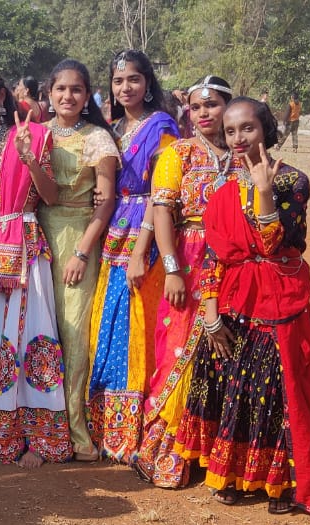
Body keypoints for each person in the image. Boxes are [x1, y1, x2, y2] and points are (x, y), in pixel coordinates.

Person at [190, 96, 310, 516]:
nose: (238, 138)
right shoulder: (222, 190)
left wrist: (263, 191)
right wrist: (210, 313)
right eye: (231, 131)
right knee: (234, 391)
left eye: (248, 128)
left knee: (275, 393)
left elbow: (273, 245)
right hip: (233, 301)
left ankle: (280, 483)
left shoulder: (293, 182)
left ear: (266, 129)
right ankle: (232, 475)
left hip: (277, 301)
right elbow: (214, 256)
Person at [0, 66, 68, 468]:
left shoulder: (32, 134)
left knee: (26, 333)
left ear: (1, 95)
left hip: (23, 240)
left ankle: (35, 435)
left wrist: (29, 160)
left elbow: (51, 196)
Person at [134, 75, 234, 488]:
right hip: (189, 258)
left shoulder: (244, 154)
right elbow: (161, 212)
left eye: (212, 104)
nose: (204, 113)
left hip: (236, 264)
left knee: (227, 349)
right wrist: (172, 268)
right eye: (196, 107)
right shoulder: (179, 153)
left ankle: (219, 450)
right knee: (178, 348)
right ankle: (170, 448)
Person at [88, 49, 178, 463]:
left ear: (148, 83)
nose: (126, 87)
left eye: (134, 80)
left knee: (137, 321)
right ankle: (107, 426)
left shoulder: (162, 126)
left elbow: (162, 193)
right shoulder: (111, 129)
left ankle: (137, 429)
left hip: (147, 229)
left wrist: (142, 249)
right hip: (113, 232)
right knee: (109, 321)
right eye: (118, 80)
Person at [38, 59, 118, 463]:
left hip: (78, 236)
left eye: (76, 89)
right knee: (42, 328)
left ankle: (75, 428)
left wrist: (83, 251)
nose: (68, 96)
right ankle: (42, 424)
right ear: (49, 93)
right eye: (61, 89)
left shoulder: (98, 139)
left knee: (73, 334)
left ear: (87, 96)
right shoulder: (38, 134)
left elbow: (105, 203)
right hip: (38, 236)